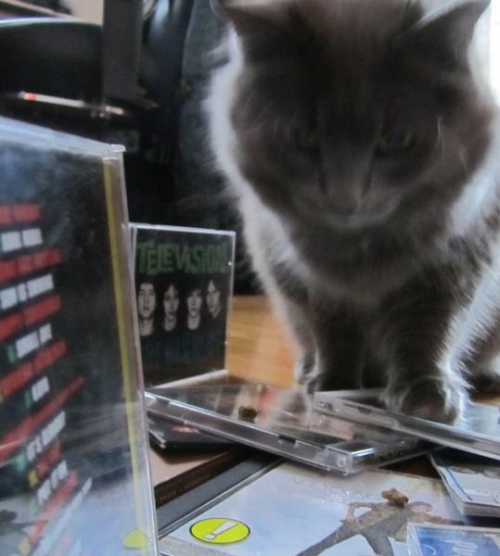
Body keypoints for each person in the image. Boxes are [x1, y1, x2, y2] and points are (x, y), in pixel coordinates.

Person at [296, 496, 462, 556]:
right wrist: (350, 515)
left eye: (425, 509)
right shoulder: (393, 505)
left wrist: (461, 523)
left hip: (379, 533)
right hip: (360, 524)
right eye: (422, 507)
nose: (423, 510)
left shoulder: (421, 517)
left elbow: (438, 520)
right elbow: (356, 503)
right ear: (416, 505)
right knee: (327, 543)